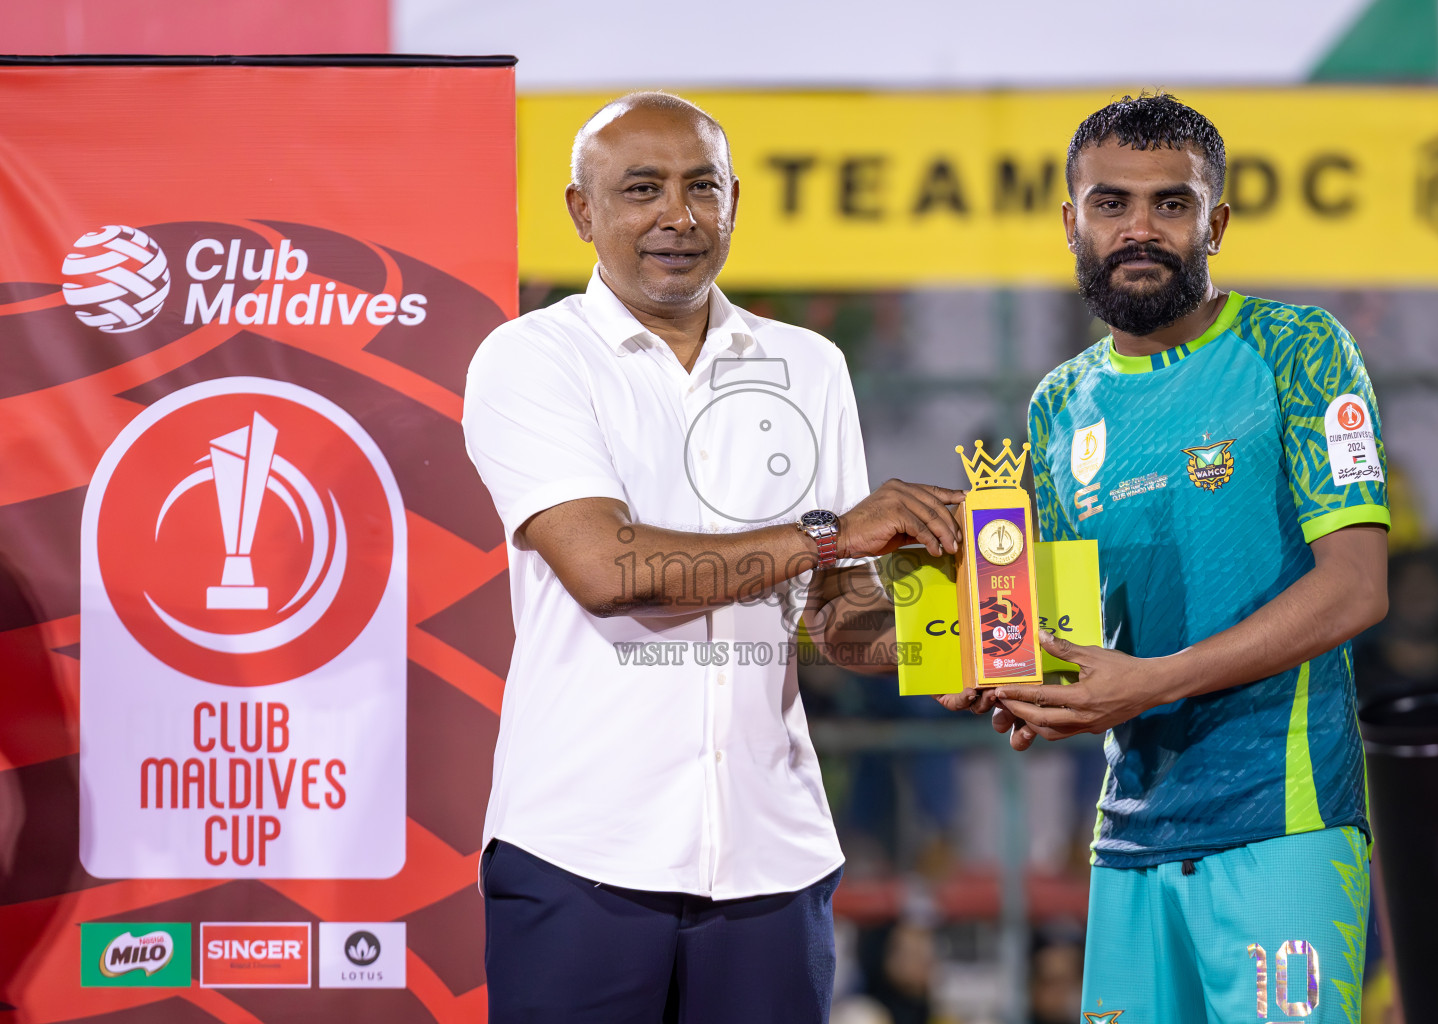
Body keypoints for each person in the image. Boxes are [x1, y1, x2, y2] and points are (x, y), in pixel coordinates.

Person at [461, 91, 963, 1023]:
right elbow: (607, 573)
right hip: (581, 856)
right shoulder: (531, 359)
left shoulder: (809, 364)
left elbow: (838, 619)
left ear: (735, 200)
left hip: (772, 860)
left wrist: (966, 648)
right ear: (582, 210)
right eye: (641, 188)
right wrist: (832, 534)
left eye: (702, 188)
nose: (676, 216)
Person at [978, 93, 1391, 1024]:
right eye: (1110, 203)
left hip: (1281, 825)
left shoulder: (1301, 350)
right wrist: (1019, 682)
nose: (1139, 229)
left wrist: (1149, 683)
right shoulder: (1059, 404)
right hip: (1128, 836)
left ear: (1217, 223)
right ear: (1070, 222)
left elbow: (1357, 589)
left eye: (1171, 204)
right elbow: (1064, 627)